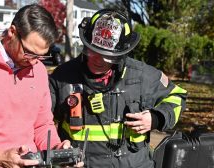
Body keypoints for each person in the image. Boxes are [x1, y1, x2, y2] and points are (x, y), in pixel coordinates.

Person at [49, 9, 187, 168]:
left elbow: (178, 96)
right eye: (92, 51)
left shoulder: (142, 76)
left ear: (121, 53)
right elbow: (41, 120)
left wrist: (156, 118)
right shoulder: (62, 76)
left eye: (108, 56)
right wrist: (57, 149)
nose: (98, 60)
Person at [0, 4, 81, 168]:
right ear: (12, 32)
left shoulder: (38, 70)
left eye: (41, 56)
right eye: (29, 52)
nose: (33, 61)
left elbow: (42, 125)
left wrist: (57, 151)